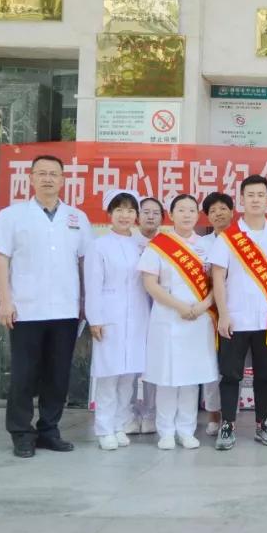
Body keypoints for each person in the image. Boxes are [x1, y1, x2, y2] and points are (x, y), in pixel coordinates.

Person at [0, 154, 93, 458]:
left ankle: (49, 430)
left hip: (66, 310)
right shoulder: (12, 215)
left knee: (57, 375)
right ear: (30, 178)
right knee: (24, 375)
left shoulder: (76, 218)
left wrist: (85, 302)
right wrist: (5, 300)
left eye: (53, 174)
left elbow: (84, 262)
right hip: (26, 309)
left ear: (63, 180)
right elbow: (1, 258)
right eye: (41, 173)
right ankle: (21, 433)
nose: (47, 179)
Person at [209, 175, 267, 450]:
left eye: (260, 195)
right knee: (231, 375)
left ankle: (263, 422)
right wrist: (223, 314)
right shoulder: (228, 238)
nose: (256, 200)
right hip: (235, 318)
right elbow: (218, 277)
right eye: (250, 195)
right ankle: (228, 424)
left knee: (265, 375)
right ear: (241, 199)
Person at [138, 194, 219, 449]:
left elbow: (218, 283)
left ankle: (186, 429)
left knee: (191, 378)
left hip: (199, 319)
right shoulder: (159, 245)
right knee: (167, 377)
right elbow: (150, 283)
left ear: (198, 215)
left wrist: (203, 305)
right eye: (181, 210)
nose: (187, 215)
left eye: (191, 210)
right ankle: (165, 431)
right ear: (171, 215)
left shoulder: (208, 246)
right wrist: (180, 306)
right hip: (168, 317)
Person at [84, 190, 150, 450]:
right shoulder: (99, 245)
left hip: (138, 316)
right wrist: (95, 318)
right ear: (110, 213)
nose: (125, 215)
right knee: (108, 375)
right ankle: (104, 428)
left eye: (131, 210)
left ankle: (120, 424)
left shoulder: (141, 245)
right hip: (108, 315)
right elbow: (92, 285)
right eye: (120, 210)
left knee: (128, 376)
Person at [197, 191, 234, 437]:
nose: (218, 213)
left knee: (233, 367)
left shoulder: (243, 240)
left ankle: (231, 415)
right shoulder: (202, 244)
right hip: (209, 312)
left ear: (232, 211)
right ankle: (213, 414)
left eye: (222, 208)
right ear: (207, 217)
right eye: (212, 211)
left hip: (238, 310)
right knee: (212, 364)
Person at [128, 196, 165, 435]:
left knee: (154, 363)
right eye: (146, 212)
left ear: (163, 218)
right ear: (137, 216)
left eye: (156, 212)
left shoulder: (168, 244)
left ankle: (151, 413)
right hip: (131, 309)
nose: (151, 216)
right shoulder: (127, 241)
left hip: (159, 310)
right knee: (130, 364)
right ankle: (130, 413)